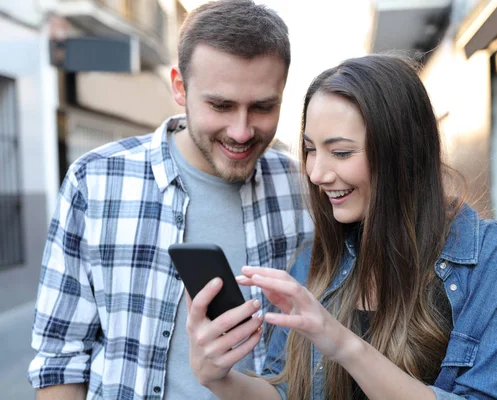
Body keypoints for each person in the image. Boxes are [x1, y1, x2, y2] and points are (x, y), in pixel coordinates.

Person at [185, 53, 497, 400]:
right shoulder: (313, 260)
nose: (317, 173)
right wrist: (219, 380)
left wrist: (341, 343)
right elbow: (285, 391)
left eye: (340, 153)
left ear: (402, 152)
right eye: (310, 149)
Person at [28, 1, 313, 399]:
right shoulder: (94, 181)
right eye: (221, 105)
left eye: (263, 107)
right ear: (179, 87)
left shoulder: (303, 190)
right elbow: (60, 357)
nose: (242, 130)